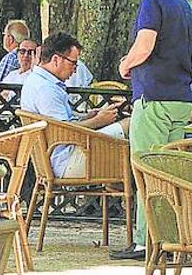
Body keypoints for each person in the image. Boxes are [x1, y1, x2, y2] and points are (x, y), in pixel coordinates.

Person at [116, 0, 192, 261]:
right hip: (181, 99)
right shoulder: (185, 6)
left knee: (146, 171)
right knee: (170, 175)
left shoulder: (152, 2)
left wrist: (126, 65)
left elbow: (144, 45)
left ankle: (145, 241)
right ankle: (171, 237)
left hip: (153, 97)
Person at [22, 32, 128, 177]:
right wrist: (98, 121)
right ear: (56, 60)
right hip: (67, 162)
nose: (75, 69)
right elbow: (64, 131)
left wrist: (86, 117)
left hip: (58, 158)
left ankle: (122, 184)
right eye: (73, 63)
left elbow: (60, 125)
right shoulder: (46, 90)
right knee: (131, 124)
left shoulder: (38, 81)